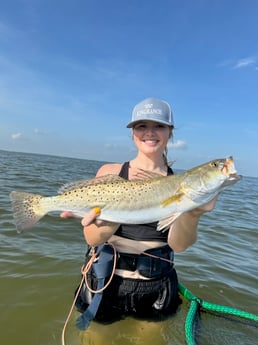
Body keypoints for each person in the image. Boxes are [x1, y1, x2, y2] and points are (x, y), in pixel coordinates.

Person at [61, 97, 217, 342]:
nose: (150, 132)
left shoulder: (179, 184)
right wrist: (111, 217)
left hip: (156, 286)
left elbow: (180, 246)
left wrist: (193, 212)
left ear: (170, 132)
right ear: (132, 132)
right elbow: (92, 237)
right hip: (104, 282)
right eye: (141, 126)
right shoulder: (109, 173)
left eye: (159, 126)